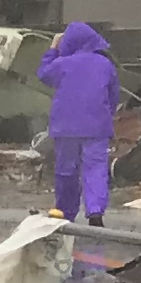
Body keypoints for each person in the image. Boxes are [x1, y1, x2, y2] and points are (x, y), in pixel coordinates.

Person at [42, 19, 120, 225]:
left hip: (65, 127)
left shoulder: (62, 64)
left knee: (66, 170)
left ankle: (65, 212)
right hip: (96, 126)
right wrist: (105, 115)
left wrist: (53, 49)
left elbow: (44, 75)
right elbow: (113, 95)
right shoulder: (105, 64)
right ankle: (95, 213)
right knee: (95, 169)